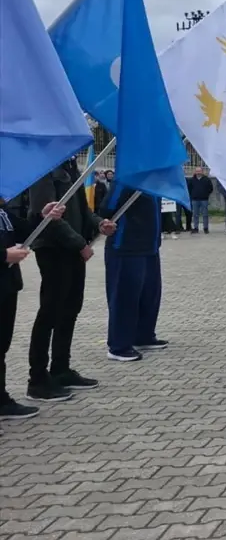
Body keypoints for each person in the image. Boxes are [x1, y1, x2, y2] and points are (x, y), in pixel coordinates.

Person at [26, 161, 116, 401]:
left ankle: (61, 369)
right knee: (50, 313)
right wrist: (79, 244)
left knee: (70, 310)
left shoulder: (70, 167)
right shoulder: (44, 169)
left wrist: (99, 223)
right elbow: (45, 215)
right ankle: (37, 379)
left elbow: (82, 210)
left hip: (73, 250)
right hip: (53, 249)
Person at [1, 198, 65, 421]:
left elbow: (25, 231)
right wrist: (4, 255)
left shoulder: (3, 210)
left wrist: (43, 217)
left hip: (7, 285)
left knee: (2, 346)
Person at [100, 186, 168, 362]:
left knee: (149, 295)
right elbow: (106, 209)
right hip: (126, 247)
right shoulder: (125, 180)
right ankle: (118, 346)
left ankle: (143, 336)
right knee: (125, 298)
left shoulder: (152, 185)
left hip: (149, 247)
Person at [185, 167, 213, 234]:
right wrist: (192, 195)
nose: (198, 172)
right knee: (195, 215)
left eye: (199, 171)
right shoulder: (192, 180)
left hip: (204, 200)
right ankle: (196, 228)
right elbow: (189, 189)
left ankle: (205, 228)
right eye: (197, 171)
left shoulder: (207, 180)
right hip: (195, 200)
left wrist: (206, 194)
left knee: (205, 214)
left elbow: (210, 188)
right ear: (195, 172)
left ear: (202, 172)